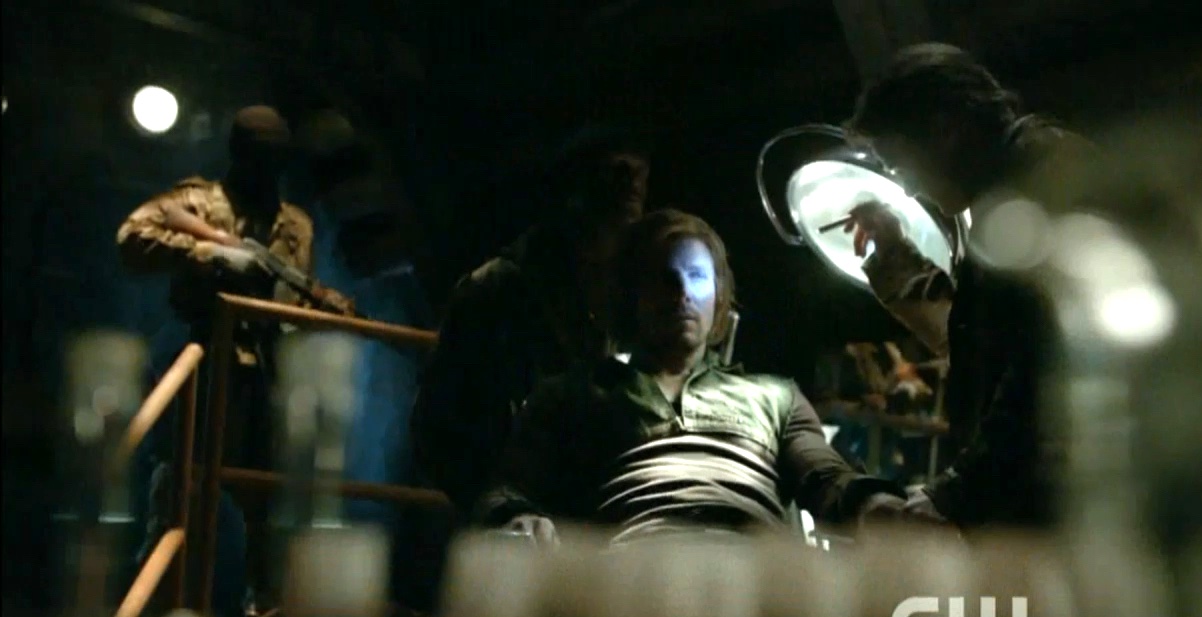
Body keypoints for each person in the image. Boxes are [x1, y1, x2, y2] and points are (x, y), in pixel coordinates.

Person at [475, 209, 915, 544]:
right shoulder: (574, 394)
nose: (683, 292)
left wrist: (873, 502)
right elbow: (507, 488)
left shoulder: (773, 395)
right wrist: (516, 518)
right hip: (627, 576)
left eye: (698, 276)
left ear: (719, 296)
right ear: (632, 295)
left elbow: (825, 476)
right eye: (665, 279)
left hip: (754, 574)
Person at [837, 43, 1098, 530]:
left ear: (945, 130)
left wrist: (954, 493)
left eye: (901, 164)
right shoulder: (1007, 198)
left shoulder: (1044, 175)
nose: (908, 188)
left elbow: (1045, 364)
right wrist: (900, 263)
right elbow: (992, 345)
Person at [116, 105, 355, 617]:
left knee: (269, 505)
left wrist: (321, 309)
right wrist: (214, 255)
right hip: (203, 356)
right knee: (181, 493)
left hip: (267, 369)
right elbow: (133, 237)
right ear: (239, 154)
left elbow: (295, 295)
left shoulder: (295, 224)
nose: (268, 169)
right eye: (259, 156)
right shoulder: (198, 201)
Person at [409, 125, 652, 518]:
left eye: (639, 173)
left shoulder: (645, 293)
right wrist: (499, 505)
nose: (631, 186)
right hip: (520, 518)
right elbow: (437, 427)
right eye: (616, 171)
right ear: (578, 183)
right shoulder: (500, 288)